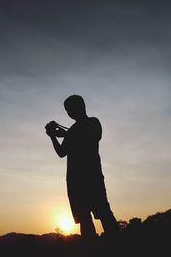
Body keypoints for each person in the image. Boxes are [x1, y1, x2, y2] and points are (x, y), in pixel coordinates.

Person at [45, 95, 119, 238]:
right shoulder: (84, 126)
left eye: (69, 109)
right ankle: (113, 246)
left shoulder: (92, 122)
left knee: (100, 215)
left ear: (79, 107)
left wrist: (57, 135)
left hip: (85, 179)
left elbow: (82, 140)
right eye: (67, 110)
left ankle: (111, 247)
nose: (69, 113)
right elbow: (63, 152)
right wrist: (54, 136)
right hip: (84, 179)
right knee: (92, 217)